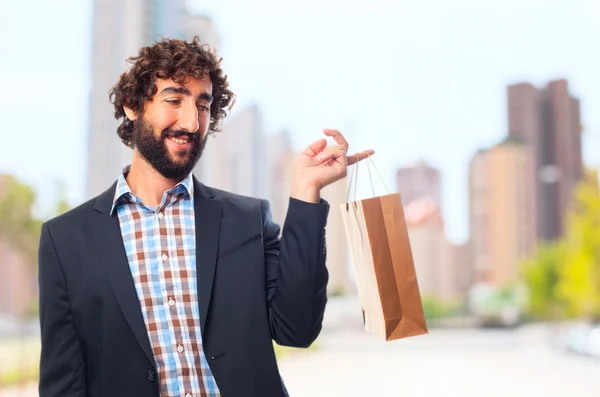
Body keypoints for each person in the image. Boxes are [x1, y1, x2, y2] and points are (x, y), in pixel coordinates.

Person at [38, 36, 374, 397]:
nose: (192, 122)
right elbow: (64, 383)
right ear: (132, 106)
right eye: (174, 99)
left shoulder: (247, 220)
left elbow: (298, 329)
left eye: (202, 105)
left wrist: (306, 192)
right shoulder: (66, 240)